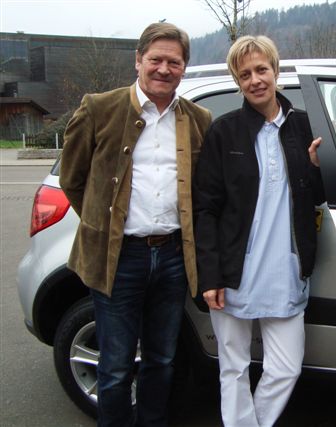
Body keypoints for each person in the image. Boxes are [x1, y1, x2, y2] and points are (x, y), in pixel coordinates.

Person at [59, 22, 212, 427]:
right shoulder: (99, 108)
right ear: (138, 61)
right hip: (119, 258)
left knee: (162, 359)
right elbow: (72, 179)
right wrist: (105, 228)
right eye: (156, 59)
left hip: (173, 257)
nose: (164, 69)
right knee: (115, 366)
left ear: (184, 67)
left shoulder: (199, 119)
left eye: (174, 62)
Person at [193, 35, 324, 427]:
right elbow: (205, 208)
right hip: (234, 272)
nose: (255, 80)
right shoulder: (225, 132)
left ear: (275, 70)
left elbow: (318, 197)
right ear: (238, 81)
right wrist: (210, 275)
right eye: (245, 74)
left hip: (285, 270)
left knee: (286, 367)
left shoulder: (304, 126)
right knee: (233, 367)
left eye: (261, 69)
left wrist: (317, 168)